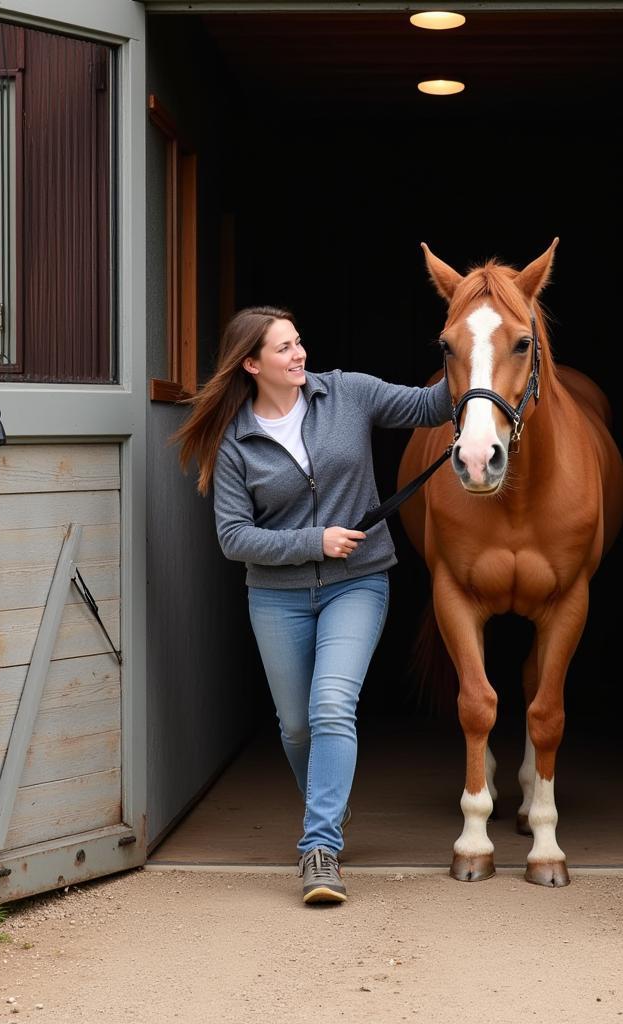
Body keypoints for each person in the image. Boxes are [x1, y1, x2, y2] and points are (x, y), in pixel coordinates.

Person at [173, 306, 450, 905]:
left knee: (330, 705)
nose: (299, 355)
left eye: (299, 343)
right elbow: (234, 537)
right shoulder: (235, 441)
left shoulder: (348, 394)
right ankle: (332, 801)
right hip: (276, 597)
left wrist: (478, 345)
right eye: (283, 349)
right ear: (251, 364)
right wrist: (312, 542)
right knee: (297, 726)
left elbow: (432, 407)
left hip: (359, 583)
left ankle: (319, 849)